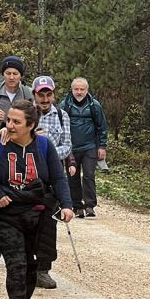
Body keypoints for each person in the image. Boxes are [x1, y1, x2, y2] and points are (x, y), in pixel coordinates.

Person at [0, 100, 73, 299]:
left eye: (16, 122)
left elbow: (58, 178)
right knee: (16, 263)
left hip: (38, 214)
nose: (9, 125)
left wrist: (67, 205)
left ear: (31, 125)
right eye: (8, 120)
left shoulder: (44, 146)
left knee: (32, 264)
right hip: (7, 214)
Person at [32, 75, 73, 289]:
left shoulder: (62, 116)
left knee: (49, 224)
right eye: (41, 94)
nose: (45, 99)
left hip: (52, 177)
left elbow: (67, 146)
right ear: (34, 95)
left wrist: (47, 153)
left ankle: (44, 269)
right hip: (28, 176)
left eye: (49, 94)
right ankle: (26, 266)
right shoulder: (26, 114)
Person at [61, 77, 108, 218]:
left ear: (87, 90)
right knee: (72, 176)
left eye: (82, 89)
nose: (79, 92)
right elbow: (59, 126)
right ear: (72, 89)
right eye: (76, 89)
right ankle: (77, 206)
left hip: (90, 146)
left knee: (89, 175)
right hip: (71, 147)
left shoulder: (95, 105)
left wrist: (102, 146)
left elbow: (102, 126)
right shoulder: (65, 105)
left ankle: (90, 206)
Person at [0, 56, 32, 127]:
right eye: (8, 73)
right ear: (3, 74)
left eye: (15, 74)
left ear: (21, 75)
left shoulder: (29, 94)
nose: (11, 77)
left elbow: (38, 122)